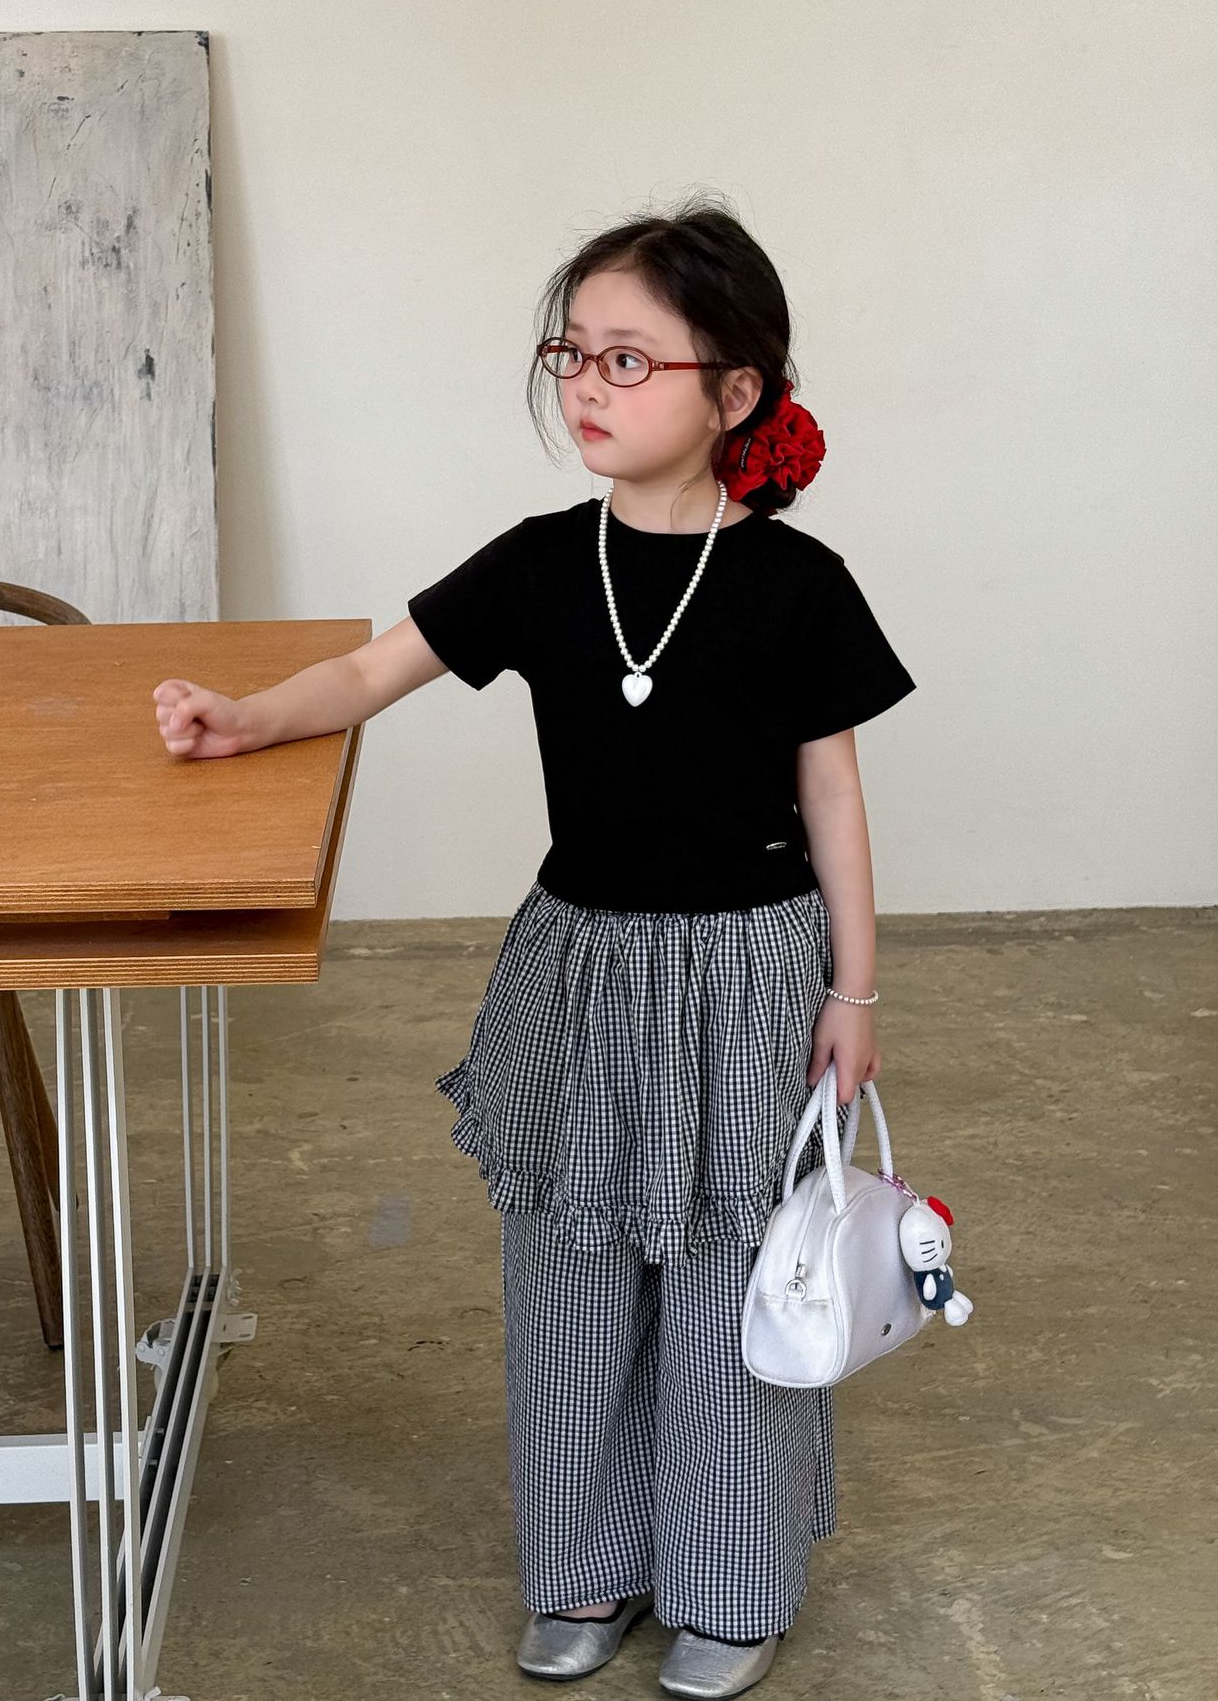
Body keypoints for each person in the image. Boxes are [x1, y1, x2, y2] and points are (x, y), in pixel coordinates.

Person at [152, 192, 917, 1698]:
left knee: (731, 1272)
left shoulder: (798, 587)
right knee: (567, 1265)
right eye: (574, 352)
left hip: (751, 971)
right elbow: (371, 671)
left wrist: (855, 987)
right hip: (579, 962)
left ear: (736, 393)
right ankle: (583, 1569)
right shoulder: (538, 564)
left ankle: (729, 1586)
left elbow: (833, 795)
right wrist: (244, 719)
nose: (586, 384)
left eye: (630, 359)